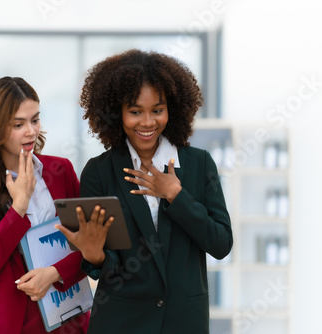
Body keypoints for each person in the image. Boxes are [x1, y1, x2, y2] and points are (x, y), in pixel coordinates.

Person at [56, 49, 233, 333]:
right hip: (120, 322)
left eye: (157, 110)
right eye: (135, 111)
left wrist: (177, 196)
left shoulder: (200, 164)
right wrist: (94, 256)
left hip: (183, 322)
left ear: (171, 110)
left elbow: (221, 243)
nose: (148, 122)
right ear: (118, 113)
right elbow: (103, 265)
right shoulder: (99, 171)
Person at [0, 76, 89, 334]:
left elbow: (89, 245)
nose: (31, 131)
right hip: (5, 323)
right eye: (18, 124)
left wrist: (55, 273)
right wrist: (19, 207)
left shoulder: (62, 171)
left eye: (35, 120)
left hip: (66, 318)